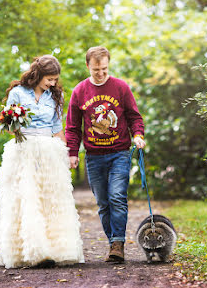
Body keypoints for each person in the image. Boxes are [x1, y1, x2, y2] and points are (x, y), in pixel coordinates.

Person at [0, 55, 84, 269]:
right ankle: (29, 251)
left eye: (55, 80)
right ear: (39, 74)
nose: (52, 83)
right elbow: (9, 127)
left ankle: (54, 249)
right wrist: (11, 122)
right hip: (24, 149)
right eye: (49, 79)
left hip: (48, 149)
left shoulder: (55, 96)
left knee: (50, 199)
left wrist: (70, 153)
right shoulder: (17, 93)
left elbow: (57, 128)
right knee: (26, 197)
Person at [65, 46, 146, 263]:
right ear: (88, 66)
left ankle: (118, 243)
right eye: (95, 70)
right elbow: (72, 127)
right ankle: (113, 242)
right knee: (103, 203)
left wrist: (138, 134)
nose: (100, 73)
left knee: (117, 197)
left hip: (119, 152)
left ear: (108, 65)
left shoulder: (120, 87)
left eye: (104, 69)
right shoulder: (79, 91)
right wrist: (73, 153)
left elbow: (134, 116)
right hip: (93, 156)